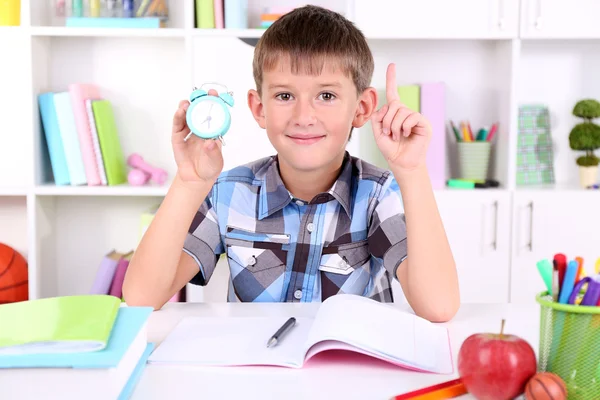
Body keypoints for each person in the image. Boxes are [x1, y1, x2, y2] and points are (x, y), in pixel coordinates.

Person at [123, 5, 459, 322]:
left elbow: (439, 306)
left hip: (349, 376)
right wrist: (190, 181)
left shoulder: (376, 195)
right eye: (285, 96)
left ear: (361, 107)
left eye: (326, 96)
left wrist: (412, 172)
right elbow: (141, 297)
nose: (304, 117)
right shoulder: (229, 193)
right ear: (259, 108)